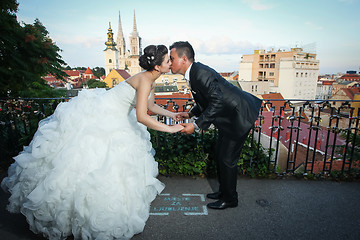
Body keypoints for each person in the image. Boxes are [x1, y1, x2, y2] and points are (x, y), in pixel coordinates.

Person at [1, 45, 183, 239]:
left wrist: (174, 114)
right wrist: (170, 128)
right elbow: (141, 116)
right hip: (104, 116)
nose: (171, 63)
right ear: (157, 66)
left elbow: (151, 106)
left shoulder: (151, 79)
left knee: (115, 166)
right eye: (167, 61)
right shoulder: (145, 80)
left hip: (117, 116)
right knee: (93, 162)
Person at [170, 41, 262, 210]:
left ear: (183, 59)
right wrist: (190, 114)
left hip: (239, 116)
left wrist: (195, 125)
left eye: (172, 58)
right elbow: (206, 100)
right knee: (220, 154)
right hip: (230, 118)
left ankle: (230, 199)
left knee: (227, 159)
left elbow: (217, 102)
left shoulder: (200, 73)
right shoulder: (195, 72)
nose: (169, 63)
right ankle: (223, 192)